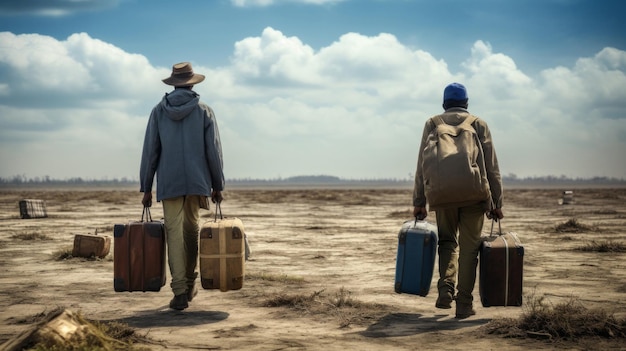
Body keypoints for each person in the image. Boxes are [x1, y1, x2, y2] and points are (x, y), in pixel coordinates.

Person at [412, 82, 504, 319]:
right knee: (470, 249)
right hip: (475, 195)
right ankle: (463, 304)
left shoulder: (433, 124)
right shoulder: (478, 124)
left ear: (444, 104)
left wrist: (419, 201)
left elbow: (422, 166)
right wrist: (497, 203)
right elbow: (492, 167)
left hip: (442, 195)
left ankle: (445, 289)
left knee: (447, 243)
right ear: (466, 103)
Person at [140, 62, 225, 310]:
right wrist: (218, 184)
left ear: (174, 83)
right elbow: (214, 152)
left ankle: (179, 292)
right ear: (191, 83)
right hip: (198, 182)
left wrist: (146, 187)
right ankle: (189, 284)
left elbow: (150, 153)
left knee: (174, 234)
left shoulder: (158, 111)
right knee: (191, 231)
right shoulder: (204, 111)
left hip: (170, 183)